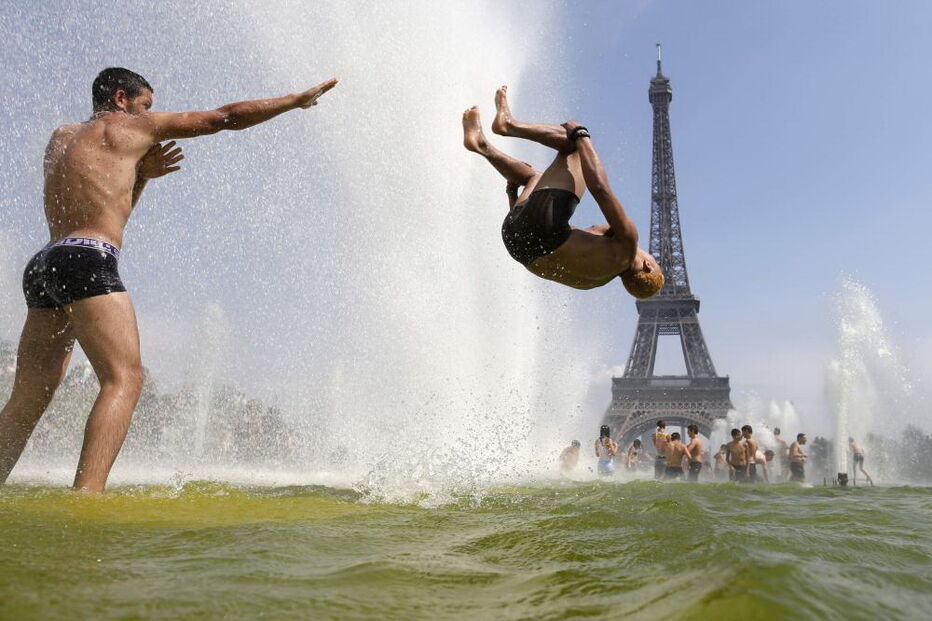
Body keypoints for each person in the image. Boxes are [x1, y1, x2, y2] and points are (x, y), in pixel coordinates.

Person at [0, 68, 338, 493]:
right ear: (121, 99)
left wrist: (141, 175)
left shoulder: (61, 137)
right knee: (124, 379)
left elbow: (100, 206)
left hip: (46, 264)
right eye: (145, 105)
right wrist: (294, 101)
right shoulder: (134, 128)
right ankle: (86, 498)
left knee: (28, 396)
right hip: (88, 259)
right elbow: (224, 117)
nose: (149, 114)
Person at [462, 86, 664, 295]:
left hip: (541, 230)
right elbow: (533, 242)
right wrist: (513, 196)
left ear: (648, 265)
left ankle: (509, 125)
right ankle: (482, 145)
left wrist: (581, 134)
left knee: (576, 147)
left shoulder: (628, 243)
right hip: (514, 241)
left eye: (654, 259)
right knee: (535, 178)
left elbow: (599, 188)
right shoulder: (593, 281)